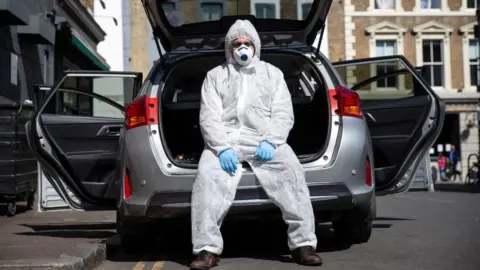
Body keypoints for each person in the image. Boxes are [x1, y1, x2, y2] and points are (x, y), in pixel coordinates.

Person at [189, 20, 322, 269]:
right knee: (207, 179)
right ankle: (206, 249)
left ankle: (303, 245)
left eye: (247, 43)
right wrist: (221, 147)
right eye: (237, 44)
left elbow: (283, 114)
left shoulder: (272, 74)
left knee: (292, 173)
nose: (242, 48)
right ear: (229, 48)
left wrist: (271, 141)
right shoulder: (215, 76)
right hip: (225, 142)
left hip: (264, 141)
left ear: (255, 46)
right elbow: (209, 117)